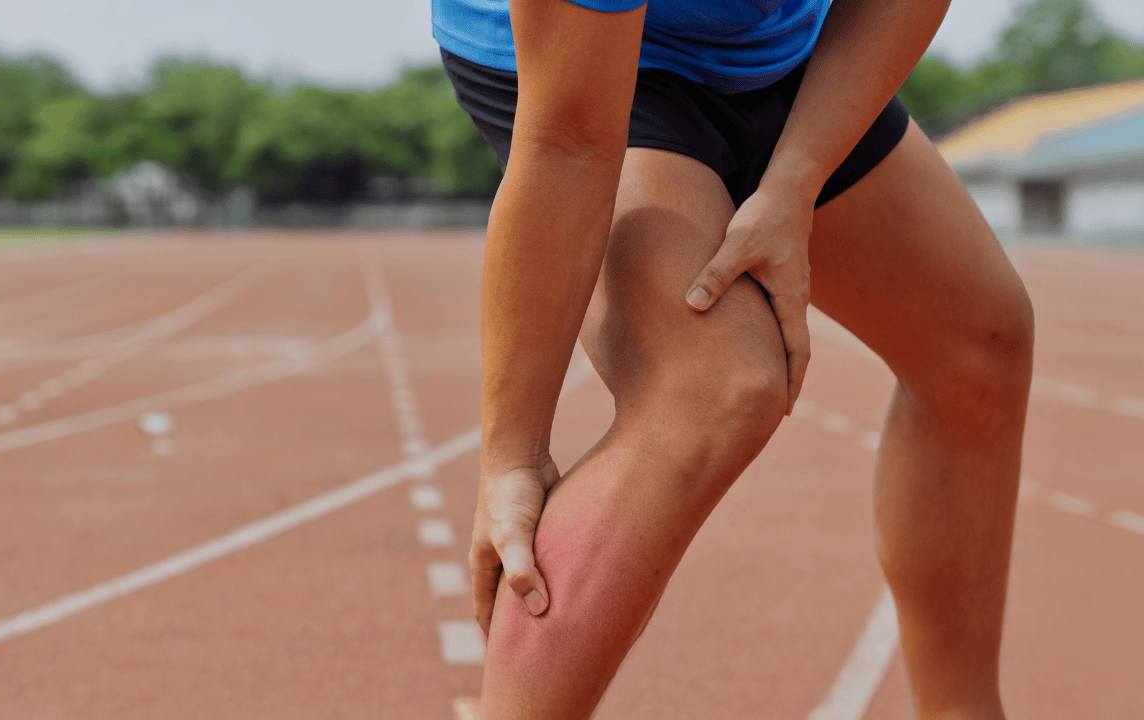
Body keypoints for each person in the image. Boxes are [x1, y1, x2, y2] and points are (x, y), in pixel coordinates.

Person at [434, 0, 1034, 717]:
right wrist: (512, 455)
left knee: (980, 342)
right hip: (591, 70)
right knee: (711, 385)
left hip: (784, 53)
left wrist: (794, 184)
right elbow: (571, 139)